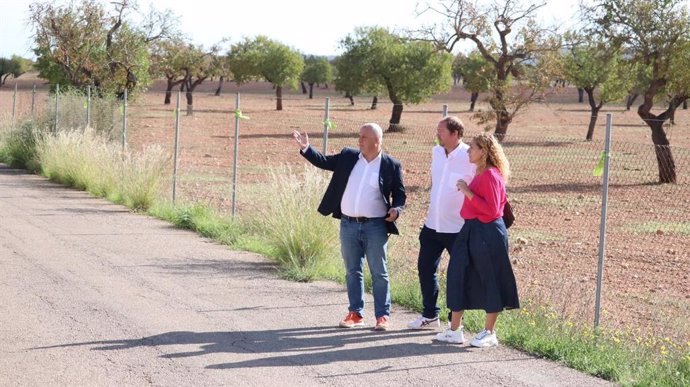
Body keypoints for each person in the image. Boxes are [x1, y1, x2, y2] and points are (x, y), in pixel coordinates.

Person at [292, 123, 406, 331]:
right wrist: (307, 148)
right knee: (353, 271)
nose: (359, 139)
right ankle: (355, 313)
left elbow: (399, 194)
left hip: (375, 227)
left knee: (379, 272)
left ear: (377, 141)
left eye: (364, 137)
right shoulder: (348, 156)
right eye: (359, 135)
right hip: (348, 225)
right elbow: (324, 162)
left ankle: (382, 316)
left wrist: (397, 209)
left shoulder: (391, 165)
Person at [435, 133, 520, 347]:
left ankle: (489, 332)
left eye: (472, 147)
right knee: (458, 273)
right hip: (471, 229)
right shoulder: (481, 173)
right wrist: (469, 189)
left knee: (490, 277)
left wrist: (466, 191)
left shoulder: (491, 174)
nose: (468, 150)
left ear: (483, 151)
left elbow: (492, 210)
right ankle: (454, 330)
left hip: (487, 232)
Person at [407, 116, 475, 330]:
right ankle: (429, 315)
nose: (438, 135)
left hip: (457, 228)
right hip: (432, 225)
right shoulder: (436, 152)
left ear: (455, 134)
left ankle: (455, 323)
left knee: (458, 276)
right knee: (425, 270)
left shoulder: (469, 156)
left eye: (442, 131)